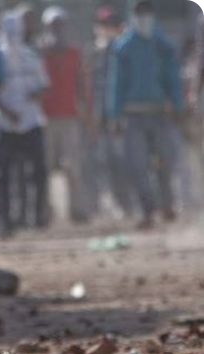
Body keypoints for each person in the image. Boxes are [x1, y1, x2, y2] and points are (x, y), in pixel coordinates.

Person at [106, 0, 184, 229]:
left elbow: (172, 78)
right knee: (138, 165)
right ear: (133, 15)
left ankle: (167, 204)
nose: (144, 17)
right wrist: (114, 115)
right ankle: (147, 210)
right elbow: (116, 84)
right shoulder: (123, 47)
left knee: (164, 162)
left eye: (147, 12)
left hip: (159, 113)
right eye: (140, 12)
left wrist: (177, 106)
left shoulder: (162, 44)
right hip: (133, 115)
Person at [0, 10, 50, 235]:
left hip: (31, 121)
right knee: (4, 176)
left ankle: (37, 217)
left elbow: (44, 85)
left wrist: (34, 97)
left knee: (38, 172)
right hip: (3, 124)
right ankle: (6, 220)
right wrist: (7, 111)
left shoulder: (31, 56)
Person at [40, 7, 90, 223]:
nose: (57, 30)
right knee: (46, 167)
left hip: (70, 117)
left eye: (60, 25)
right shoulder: (40, 53)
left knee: (73, 166)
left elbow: (82, 84)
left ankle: (77, 209)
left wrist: (87, 113)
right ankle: (46, 211)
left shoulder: (74, 53)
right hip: (45, 118)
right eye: (53, 26)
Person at [87, 6, 134, 217]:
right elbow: (91, 88)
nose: (107, 29)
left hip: (124, 116)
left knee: (127, 161)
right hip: (102, 118)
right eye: (103, 25)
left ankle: (132, 202)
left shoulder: (125, 50)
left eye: (110, 25)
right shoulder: (95, 52)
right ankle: (117, 203)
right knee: (105, 163)